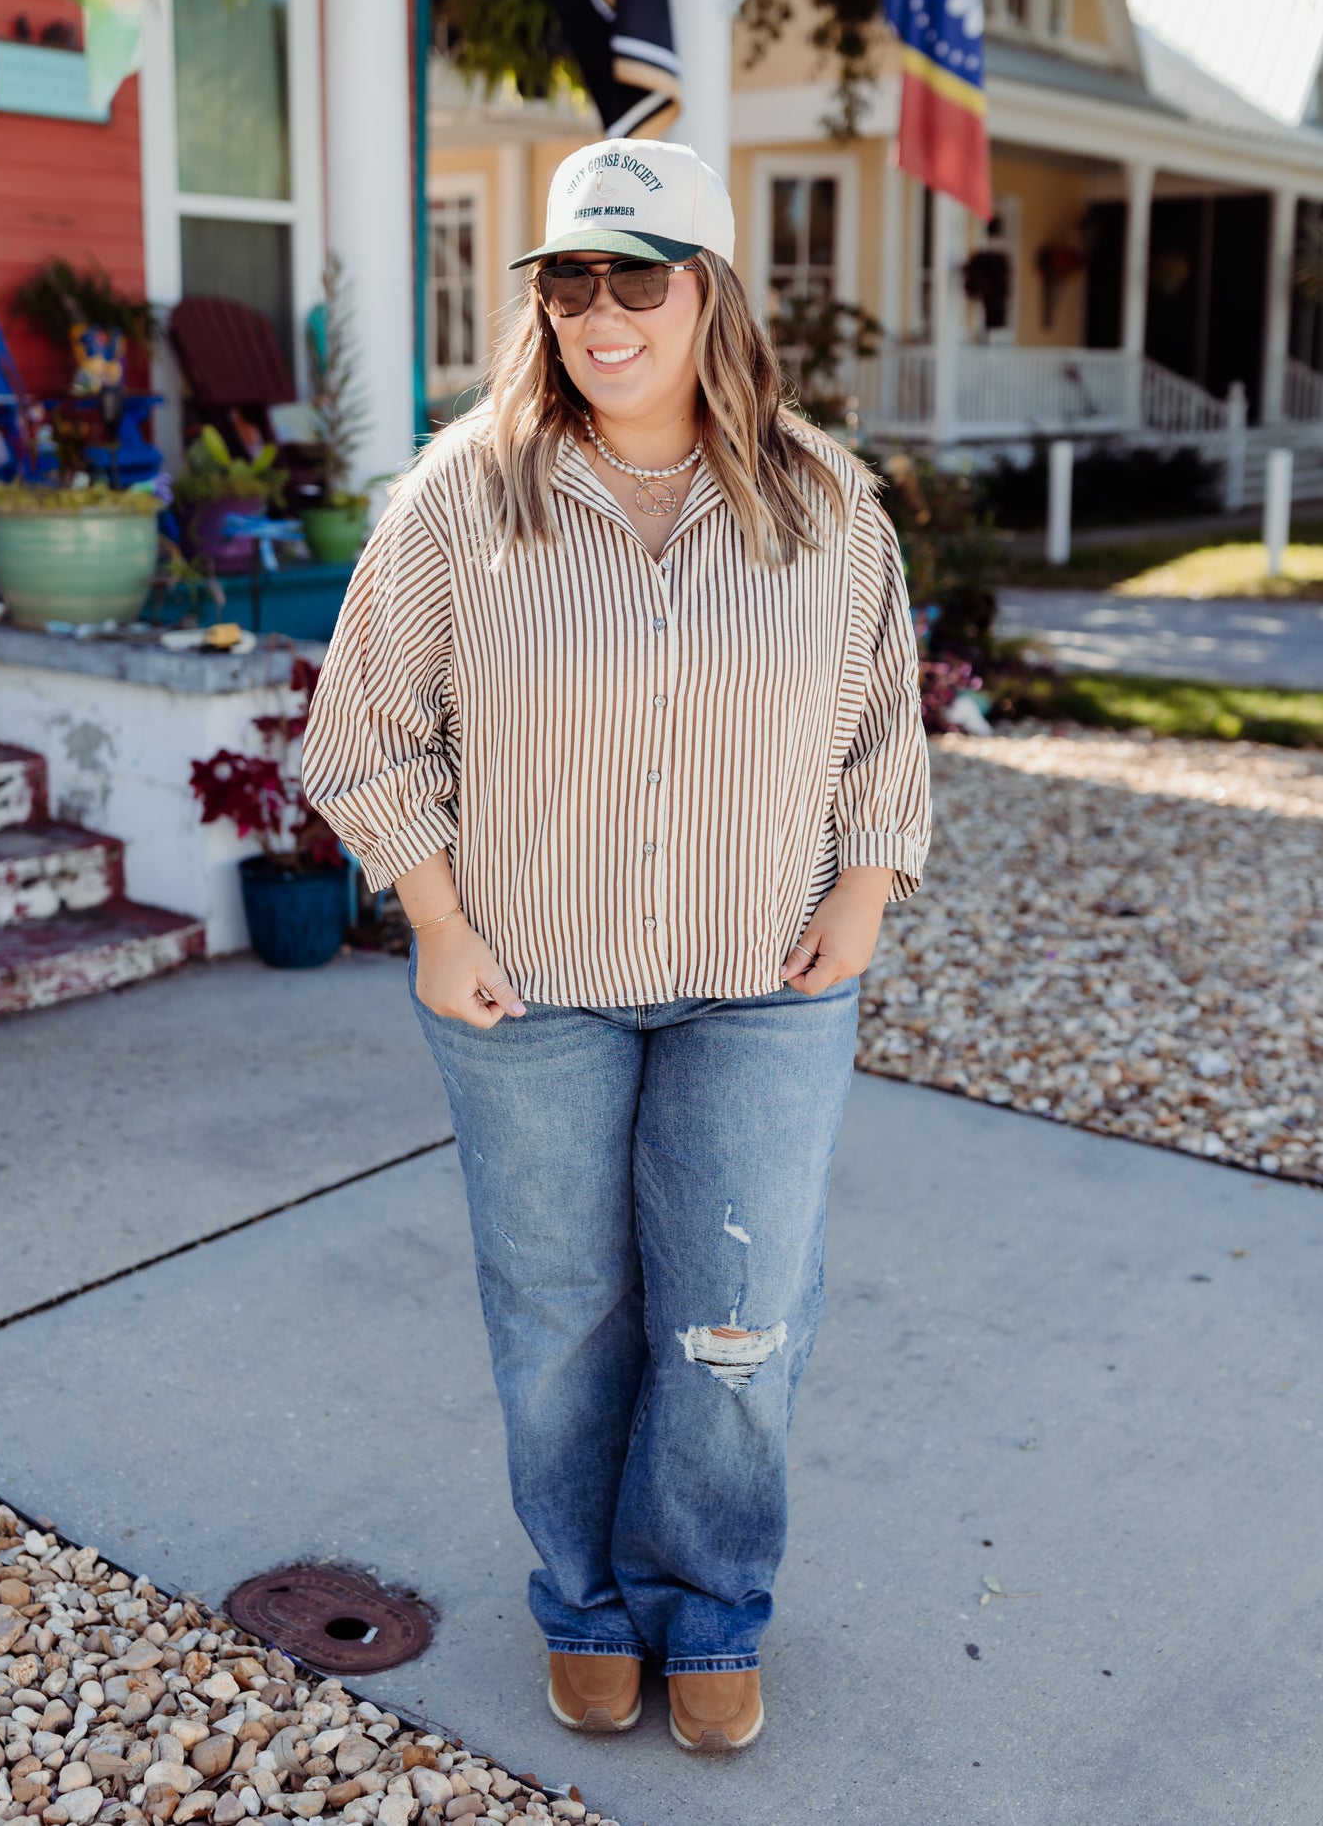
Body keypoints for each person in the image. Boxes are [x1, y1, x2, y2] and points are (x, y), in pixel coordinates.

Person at [302, 138, 932, 1755]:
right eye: (570, 279)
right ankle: (586, 1601)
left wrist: (859, 902)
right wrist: (431, 919)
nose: (599, 313)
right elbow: (363, 730)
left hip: (763, 988)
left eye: (634, 277)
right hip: (532, 992)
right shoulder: (461, 495)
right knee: (564, 1310)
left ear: (708, 294)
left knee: (732, 1317)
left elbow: (879, 727)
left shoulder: (825, 501)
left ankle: (710, 1603)